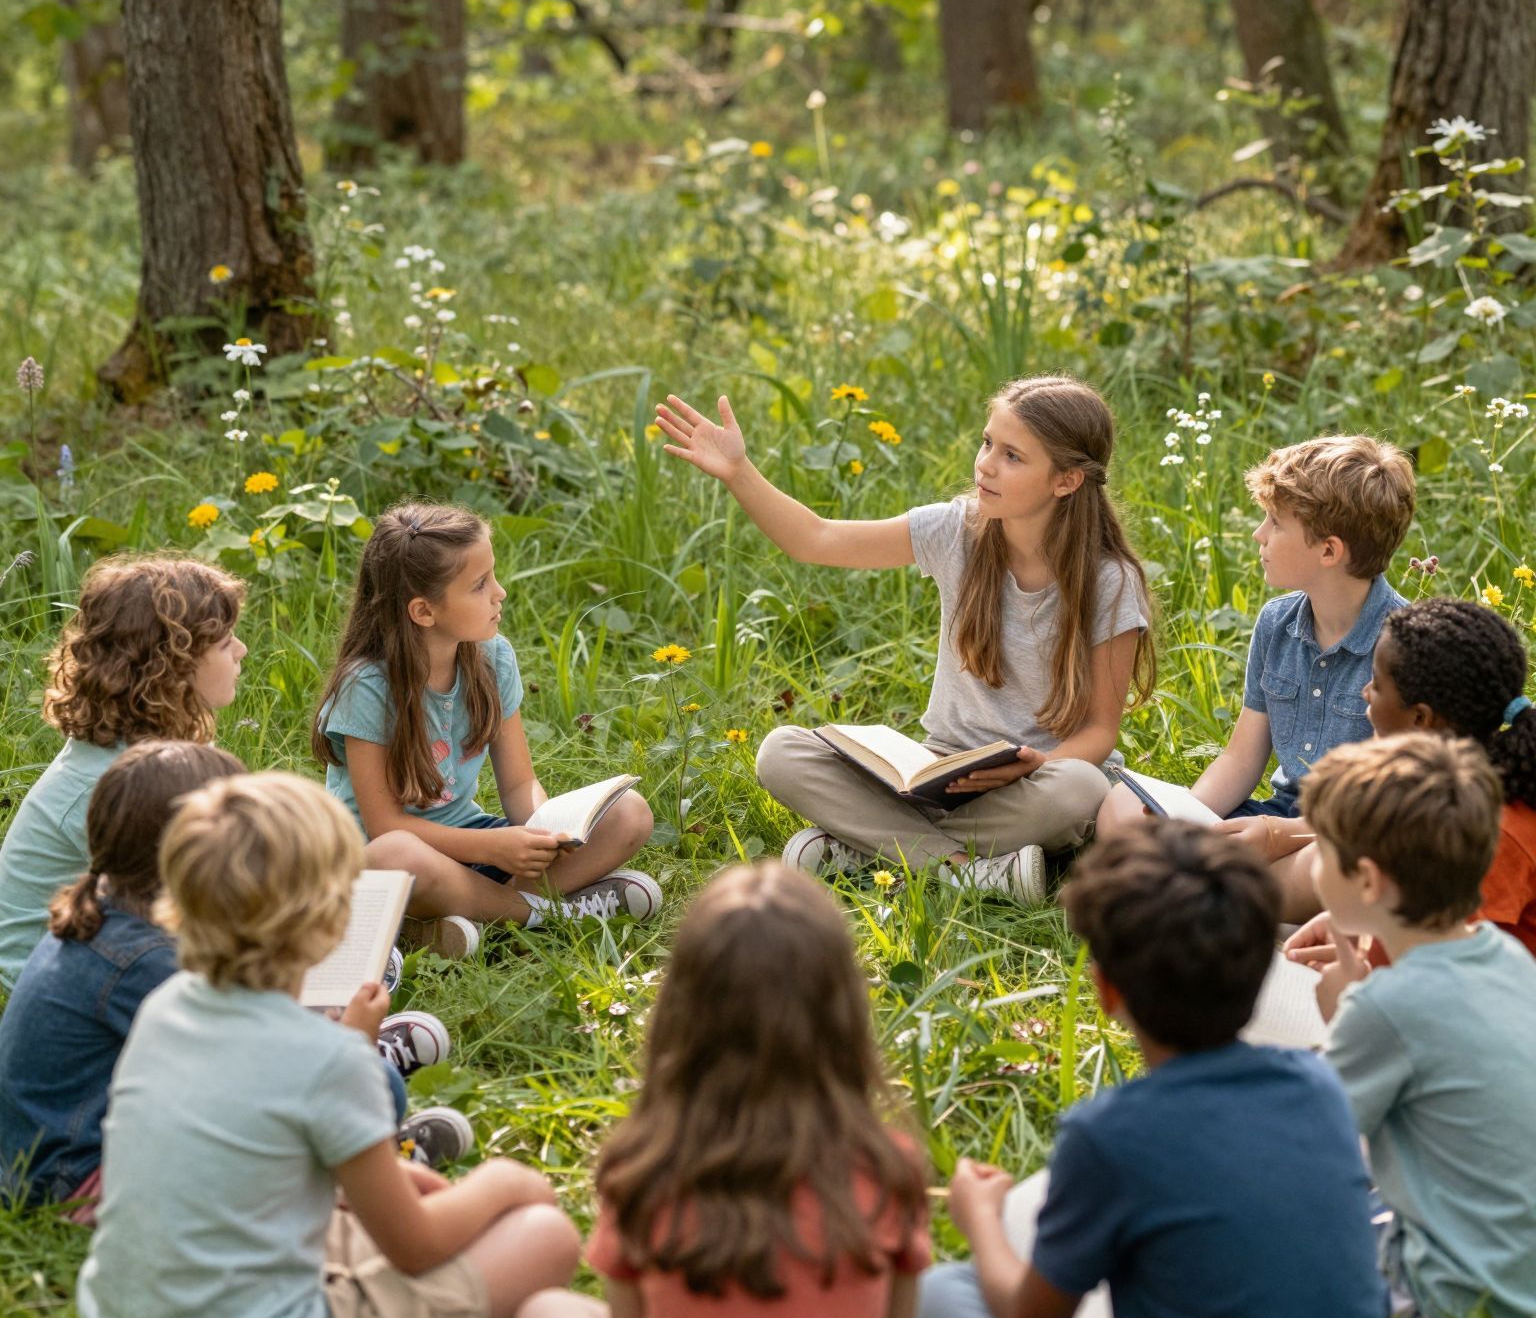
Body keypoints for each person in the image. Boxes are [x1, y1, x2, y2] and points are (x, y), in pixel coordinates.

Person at [919, 821, 1412, 1318]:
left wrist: (981, 1223)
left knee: (942, 1291)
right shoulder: (1323, 1088)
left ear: (1106, 989)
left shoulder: (1111, 1135)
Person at [77, 773, 580, 1318]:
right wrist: (506, 1182)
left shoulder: (167, 1006)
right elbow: (416, 1247)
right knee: (543, 1231)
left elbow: (258, 1157)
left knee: (395, 1214)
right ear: (333, 920)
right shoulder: (327, 1058)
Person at [513, 862, 945, 1318]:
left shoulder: (644, 1169)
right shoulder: (886, 1169)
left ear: (682, 1017)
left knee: (546, 1315)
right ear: (842, 1018)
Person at [656, 377, 1153, 904]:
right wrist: (738, 471)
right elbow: (816, 539)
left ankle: (869, 846)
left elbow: (1099, 731)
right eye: (988, 443)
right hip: (935, 772)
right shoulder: (955, 530)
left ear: (1067, 481)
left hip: (1033, 785)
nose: (985, 464)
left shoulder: (1110, 582)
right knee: (782, 752)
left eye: (1012, 456)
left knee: (1083, 789)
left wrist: (1034, 765)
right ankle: (962, 868)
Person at [0, 742, 462, 1215]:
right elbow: (252, 1074)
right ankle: (359, 1166)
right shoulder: (144, 959)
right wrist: (353, 1053)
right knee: (379, 1089)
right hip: (79, 1179)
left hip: (66, 1142)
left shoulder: (109, 907)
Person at [312, 502, 659, 958]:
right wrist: (492, 847)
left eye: (492, 576)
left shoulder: (492, 658)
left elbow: (518, 783)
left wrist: (542, 833)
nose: (500, 593)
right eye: (479, 585)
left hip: (471, 848)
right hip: (380, 864)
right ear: (423, 611)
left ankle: (457, 925)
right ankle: (545, 913)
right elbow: (384, 826)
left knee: (630, 814)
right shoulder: (369, 687)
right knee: (400, 854)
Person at [1097, 434, 1415, 921]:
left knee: (1335, 868)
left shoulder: (1406, 646)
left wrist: (1279, 837)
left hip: (1339, 837)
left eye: (1275, 523)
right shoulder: (1277, 622)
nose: (1258, 535)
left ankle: (1191, 901)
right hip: (1268, 820)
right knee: (1122, 805)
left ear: (1329, 551)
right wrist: (1186, 822)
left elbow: (1395, 811)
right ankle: (1209, 899)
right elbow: (1241, 758)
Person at [1302, 733, 1536, 1318]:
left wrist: (1343, 1017)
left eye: (1322, 854)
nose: (1314, 870)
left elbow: (1305, 1149)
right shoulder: (1509, 959)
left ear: (1370, 883)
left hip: (1455, 1300)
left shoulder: (1384, 1007)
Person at [0, 555, 247, 987]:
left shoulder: (150, 747)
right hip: (60, 975)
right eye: (225, 644)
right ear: (173, 667)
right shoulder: (116, 781)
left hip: (112, 943)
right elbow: (199, 901)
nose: (242, 650)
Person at [1287, 599, 1536, 963]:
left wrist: (1369, 960)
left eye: (1377, 684)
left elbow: (1458, 965)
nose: (1365, 693)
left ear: (1420, 718)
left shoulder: (1496, 832)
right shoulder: (1458, 791)